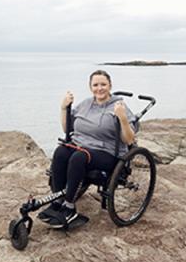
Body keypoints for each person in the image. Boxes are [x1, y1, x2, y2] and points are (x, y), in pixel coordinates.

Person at [38, 70, 136, 228]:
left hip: (107, 152)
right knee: (61, 152)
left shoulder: (119, 106)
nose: (100, 88)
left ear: (110, 85)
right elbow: (67, 129)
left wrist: (122, 118)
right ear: (90, 87)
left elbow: (129, 139)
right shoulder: (85, 104)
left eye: (103, 84)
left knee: (79, 157)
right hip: (81, 146)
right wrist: (63, 108)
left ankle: (69, 208)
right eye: (95, 85)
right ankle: (58, 200)